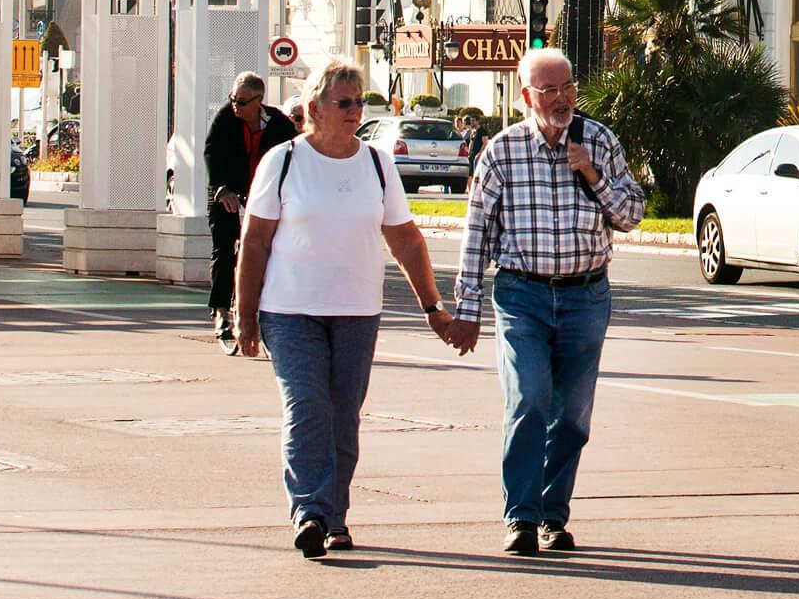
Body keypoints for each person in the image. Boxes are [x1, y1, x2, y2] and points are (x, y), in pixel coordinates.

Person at [233, 59, 458, 558]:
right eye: (344, 102)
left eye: (360, 102)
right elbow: (255, 241)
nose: (355, 111)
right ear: (315, 109)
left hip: (357, 311)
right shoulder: (284, 161)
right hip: (290, 310)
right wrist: (244, 314)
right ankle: (310, 510)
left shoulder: (377, 164)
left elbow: (405, 239)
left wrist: (432, 306)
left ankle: (335, 515)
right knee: (307, 406)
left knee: (343, 416)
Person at [446, 47, 645, 556]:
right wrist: (466, 311)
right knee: (529, 401)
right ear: (526, 96)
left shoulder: (598, 141)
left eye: (567, 87)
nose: (561, 99)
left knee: (572, 418)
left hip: (586, 295)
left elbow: (632, 215)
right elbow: (477, 238)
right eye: (549, 90)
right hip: (523, 294)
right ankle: (521, 517)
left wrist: (592, 175)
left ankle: (554, 517)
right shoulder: (502, 152)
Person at [203, 72, 298, 352]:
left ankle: (267, 315)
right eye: (233, 99)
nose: (236, 106)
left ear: (259, 101)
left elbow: (295, 156)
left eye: (242, 102)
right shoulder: (225, 119)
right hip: (228, 192)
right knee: (224, 246)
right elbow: (212, 152)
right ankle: (221, 311)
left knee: (267, 253)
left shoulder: (279, 124)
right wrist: (222, 189)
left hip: (264, 195)